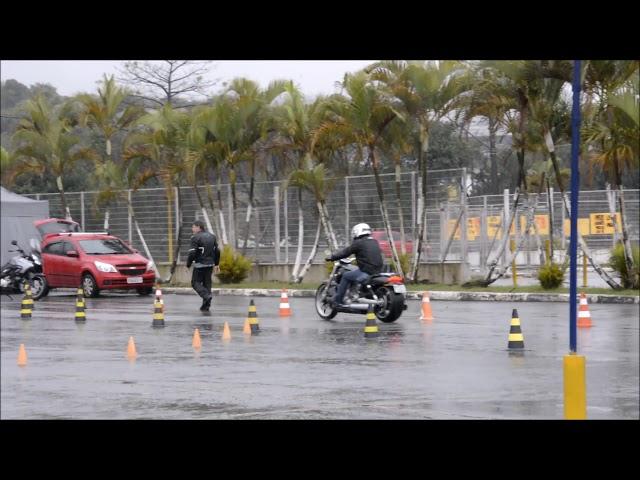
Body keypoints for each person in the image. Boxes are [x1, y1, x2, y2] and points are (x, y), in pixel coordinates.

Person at [324, 223, 383, 307]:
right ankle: (355, 292)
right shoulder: (374, 241)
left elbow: (345, 252)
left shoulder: (358, 243)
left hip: (366, 271)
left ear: (357, 232)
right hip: (378, 270)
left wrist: (332, 257)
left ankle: (338, 301)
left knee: (346, 276)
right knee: (355, 272)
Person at [187, 220, 220, 311]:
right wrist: (216, 264)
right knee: (207, 284)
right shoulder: (212, 236)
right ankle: (206, 306)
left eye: (193, 227)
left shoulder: (195, 238)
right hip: (210, 264)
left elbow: (192, 253)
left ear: (198, 227)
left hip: (199, 264)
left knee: (195, 283)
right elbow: (217, 251)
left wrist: (188, 264)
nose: (192, 229)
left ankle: (206, 296)